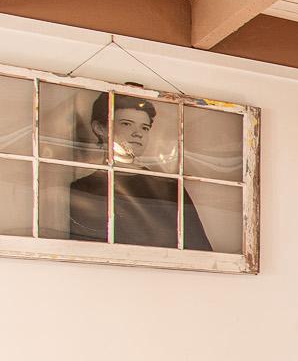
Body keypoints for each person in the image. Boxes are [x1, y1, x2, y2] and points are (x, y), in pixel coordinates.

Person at [67, 92, 212, 250]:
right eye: (126, 124)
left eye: (145, 127)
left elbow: (199, 248)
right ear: (100, 128)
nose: (138, 133)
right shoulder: (83, 188)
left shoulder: (170, 187)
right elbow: (83, 249)